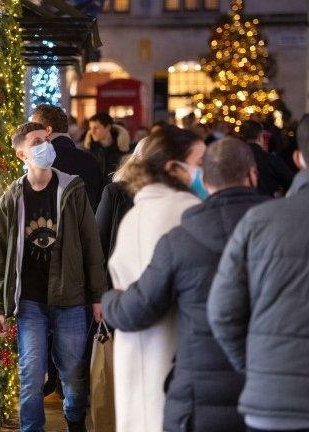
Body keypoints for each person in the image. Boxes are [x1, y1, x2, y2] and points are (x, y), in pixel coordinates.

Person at [101, 138, 267, 432]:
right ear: (252, 174)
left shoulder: (183, 233)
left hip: (199, 390)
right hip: (267, 385)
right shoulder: (277, 224)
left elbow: (139, 306)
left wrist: (110, 299)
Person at [0, 122, 107, 432]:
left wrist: (98, 296)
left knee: (73, 373)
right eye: (37, 141)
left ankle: (74, 422)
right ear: (21, 154)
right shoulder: (12, 198)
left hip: (70, 297)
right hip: (29, 301)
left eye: (46, 139)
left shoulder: (72, 189)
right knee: (30, 374)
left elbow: (91, 246)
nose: (45, 145)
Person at [208, 114, 309, 432]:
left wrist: (255, 366)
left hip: (275, 400)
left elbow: (222, 312)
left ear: (298, 157)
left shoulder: (260, 221)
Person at [105, 126, 205, 432]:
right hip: (175, 350)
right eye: (198, 162)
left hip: (132, 346)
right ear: (173, 167)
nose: (203, 172)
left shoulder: (135, 214)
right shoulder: (187, 212)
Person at [95, 137, 147, 290]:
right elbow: (99, 242)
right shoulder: (115, 192)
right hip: (120, 285)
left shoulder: (171, 196)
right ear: (138, 159)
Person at [31, 104, 104, 211]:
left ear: (48, 130)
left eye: (34, 127)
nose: (31, 134)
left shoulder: (42, 161)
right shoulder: (90, 160)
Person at [239, 119, 294, 197]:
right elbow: (291, 182)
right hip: (267, 204)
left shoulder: (233, 160)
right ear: (260, 138)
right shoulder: (270, 159)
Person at [84, 112, 131, 184]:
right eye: (90, 128)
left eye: (96, 128)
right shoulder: (87, 150)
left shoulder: (124, 149)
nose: (92, 132)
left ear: (108, 127)